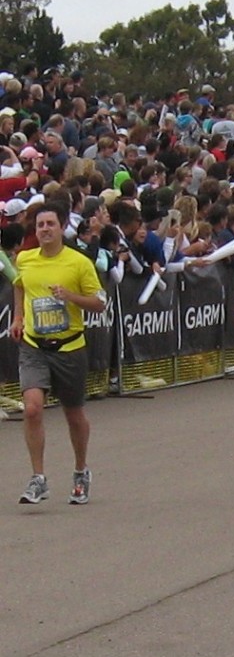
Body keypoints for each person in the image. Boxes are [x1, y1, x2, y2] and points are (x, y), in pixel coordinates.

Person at [14, 203, 108, 505]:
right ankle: (38, 478)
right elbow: (19, 285)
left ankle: (81, 471)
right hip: (34, 346)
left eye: (50, 224)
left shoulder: (78, 263)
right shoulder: (25, 259)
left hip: (69, 347)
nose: (44, 229)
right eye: (40, 225)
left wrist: (70, 297)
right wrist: (17, 318)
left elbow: (99, 302)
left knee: (73, 413)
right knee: (31, 408)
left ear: (62, 226)